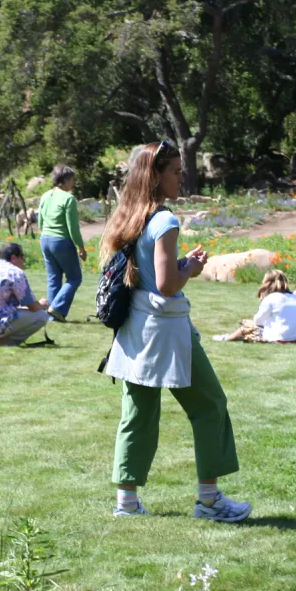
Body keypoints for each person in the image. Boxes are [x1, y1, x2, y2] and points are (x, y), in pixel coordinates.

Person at [100, 140, 251, 522]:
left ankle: (127, 503)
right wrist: (191, 270)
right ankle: (210, 501)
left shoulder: (129, 216)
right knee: (210, 405)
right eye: (176, 172)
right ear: (156, 176)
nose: (182, 178)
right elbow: (168, 285)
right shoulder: (164, 219)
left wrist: (180, 264)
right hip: (166, 331)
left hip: (135, 328)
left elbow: (149, 276)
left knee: (137, 414)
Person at [0, 242, 51, 345]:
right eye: (22, 257)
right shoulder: (15, 272)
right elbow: (32, 307)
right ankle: (4, 342)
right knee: (41, 316)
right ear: (14, 258)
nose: (24, 261)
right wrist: (42, 304)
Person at [37, 165, 87, 322]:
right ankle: (57, 308)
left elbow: (40, 222)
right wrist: (81, 247)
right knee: (74, 278)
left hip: (45, 239)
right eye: (71, 180)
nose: (73, 183)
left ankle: (53, 317)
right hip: (61, 241)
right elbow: (73, 227)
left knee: (54, 278)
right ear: (64, 181)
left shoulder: (45, 196)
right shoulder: (69, 199)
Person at [213, 270, 296, 343]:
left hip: (280, 338)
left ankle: (227, 338)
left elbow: (258, 321)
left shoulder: (271, 298)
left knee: (247, 325)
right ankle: (228, 337)